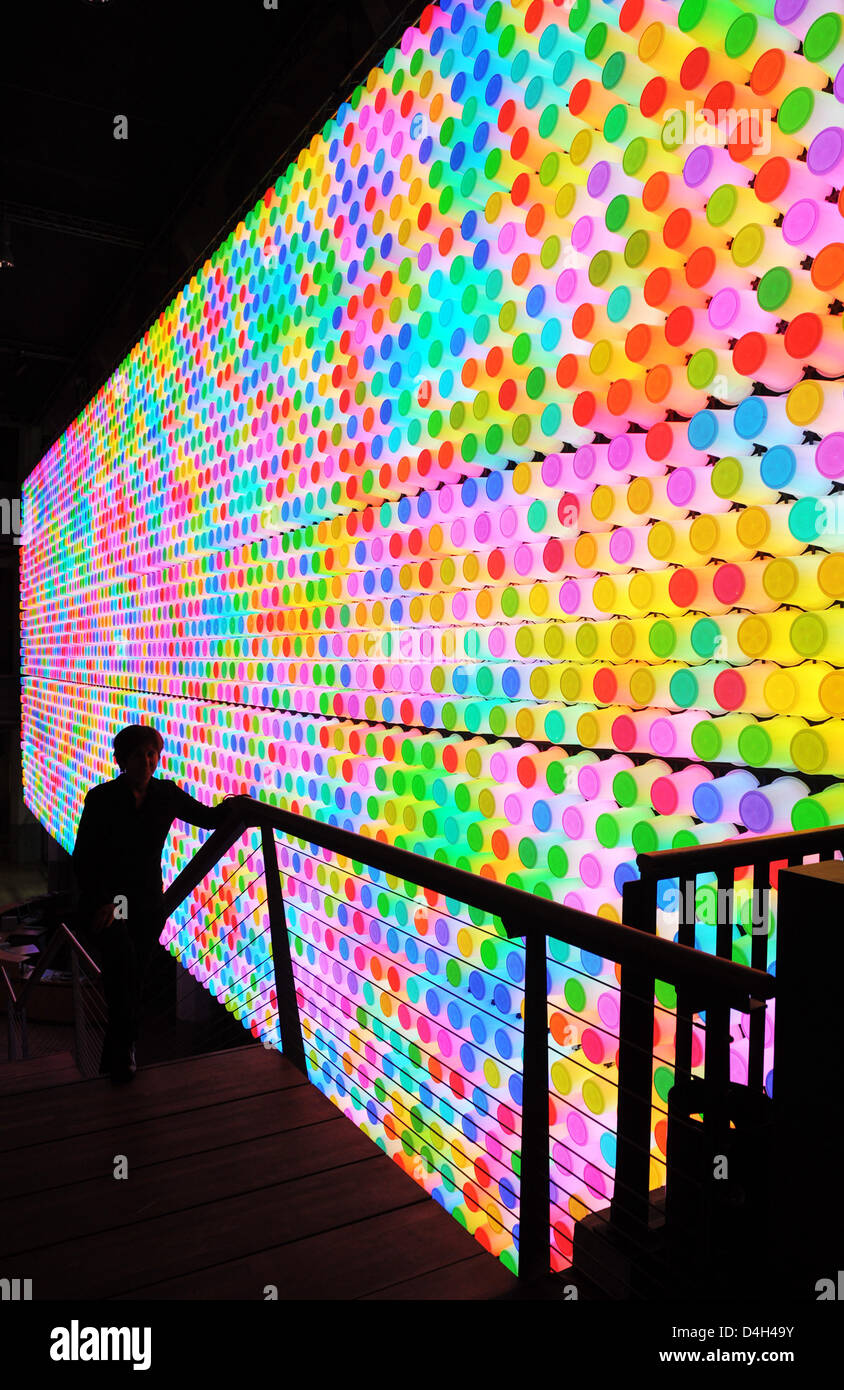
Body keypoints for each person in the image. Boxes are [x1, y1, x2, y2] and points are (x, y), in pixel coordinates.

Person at [72, 723, 251, 1083]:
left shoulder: (165, 794)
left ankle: (118, 1057)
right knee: (123, 972)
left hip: (148, 900)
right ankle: (122, 1059)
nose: (147, 760)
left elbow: (207, 817)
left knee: (132, 980)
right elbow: (85, 857)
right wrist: (105, 902)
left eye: (151, 753)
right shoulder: (103, 797)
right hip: (118, 899)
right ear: (122, 759)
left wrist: (239, 806)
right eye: (138, 753)